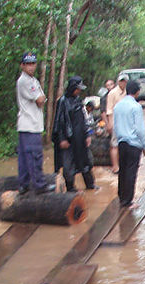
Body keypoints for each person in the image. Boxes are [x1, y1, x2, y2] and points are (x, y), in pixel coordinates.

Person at [16, 52, 53, 195]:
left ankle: (23, 185)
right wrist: (41, 98)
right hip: (29, 125)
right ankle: (39, 185)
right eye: (28, 64)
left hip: (31, 125)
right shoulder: (24, 81)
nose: (31, 67)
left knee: (25, 158)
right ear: (22, 65)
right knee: (34, 156)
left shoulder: (33, 80)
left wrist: (41, 98)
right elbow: (40, 100)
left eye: (33, 64)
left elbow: (41, 99)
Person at [52, 76, 97, 191]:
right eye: (78, 88)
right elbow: (59, 121)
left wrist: (87, 135)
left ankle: (90, 185)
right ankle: (71, 188)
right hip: (69, 138)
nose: (79, 91)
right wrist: (62, 139)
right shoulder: (62, 101)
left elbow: (83, 119)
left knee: (86, 161)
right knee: (68, 165)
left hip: (80, 137)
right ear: (72, 88)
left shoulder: (78, 100)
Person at [113, 80, 145, 207]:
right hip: (134, 143)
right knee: (131, 172)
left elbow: (116, 127)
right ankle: (128, 201)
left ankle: (122, 197)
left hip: (122, 142)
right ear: (137, 92)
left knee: (122, 170)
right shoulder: (136, 107)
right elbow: (139, 129)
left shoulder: (118, 106)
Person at [105, 74, 128, 173]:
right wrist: (110, 123)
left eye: (125, 81)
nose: (123, 83)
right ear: (118, 82)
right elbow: (109, 109)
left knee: (125, 144)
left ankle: (123, 164)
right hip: (115, 122)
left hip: (126, 122)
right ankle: (115, 167)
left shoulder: (128, 92)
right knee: (114, 144)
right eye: (121, 81)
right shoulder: (112, 93)